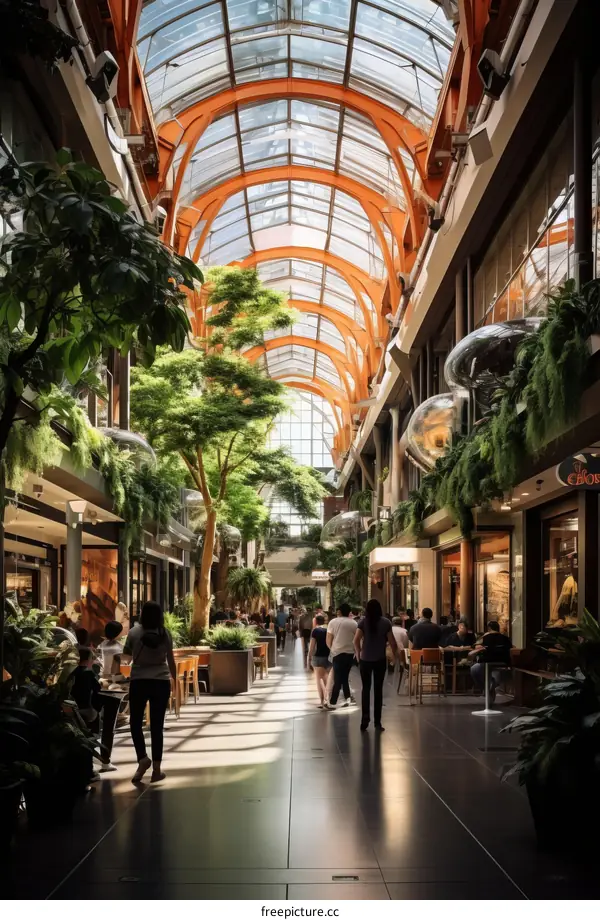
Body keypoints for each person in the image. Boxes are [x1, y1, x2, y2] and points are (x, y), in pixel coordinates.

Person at [123, 601, 176, 784]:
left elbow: (126, 657)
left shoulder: (133, 633)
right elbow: (171, 659)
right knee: (157, 726)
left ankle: (142, 758)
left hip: (139, 680)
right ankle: (157, 769)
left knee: (135, 722)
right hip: (161, 681)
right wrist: (174, 680)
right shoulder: (164, 633)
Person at [71, 648, 119, 772]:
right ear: (88, 659)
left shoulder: (73, 672)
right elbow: (97, 688)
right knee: (107, 715)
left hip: (75, 709)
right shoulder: (88, 672)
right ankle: (104, 760)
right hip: (88, 710)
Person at [354, 599, 398, 731]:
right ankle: (377, 723)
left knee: (365, 689)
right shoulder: (386, 623)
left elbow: (355, 640)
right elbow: (393, 642)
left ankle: (364, 720)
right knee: (378, 690)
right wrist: (394, 657)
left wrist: (358, 654)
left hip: (365, 659)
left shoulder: (363, 622)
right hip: (379, 659)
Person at [469, 621, 513, 702]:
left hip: (487, 662)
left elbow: (475, 646)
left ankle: (486, 688)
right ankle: (491, 685)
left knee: (474, 669)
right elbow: (511, 647)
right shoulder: (505, 638)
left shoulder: (486, 638)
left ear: (489, 628)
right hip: (503, 662)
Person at [326, 602, 357, 709]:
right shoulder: (354, 623)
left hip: (337, 653)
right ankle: (348, 697)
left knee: (338, 678)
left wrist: (332, 649)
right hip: (349, 653)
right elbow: (357, 640)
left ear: (339, 611)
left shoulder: (332, 622)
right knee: (344, 676)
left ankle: (333, 701)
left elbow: (328, 639)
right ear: (349, 612)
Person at [309, 614, 331, 708]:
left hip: (318, 657)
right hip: (329, 657)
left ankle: (323, 701)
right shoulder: (329, 630)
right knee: (327, 679)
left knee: (319, 680)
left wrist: (309, 657)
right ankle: (328, 699)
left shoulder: (315, 631)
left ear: (315, 622)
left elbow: (312, 646)